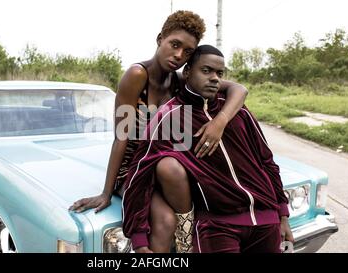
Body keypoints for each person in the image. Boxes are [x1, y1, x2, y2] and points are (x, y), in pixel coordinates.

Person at [69, 11, 248, 253]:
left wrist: (220, 121)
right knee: (164, 222)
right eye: (175, 45)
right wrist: (106, 192)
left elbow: (238, 89)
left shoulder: (180, 81)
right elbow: (121, 137)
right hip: (135, 168)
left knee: (212, 207)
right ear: (159, 39)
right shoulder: (136, 75)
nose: (178, 55)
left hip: (168, 165)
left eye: (187, 52)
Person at [122, 45, 294, 253]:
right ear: (187, 73)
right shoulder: (171, 117)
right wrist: (139, 238)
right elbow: (140, 174)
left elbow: (266, 161)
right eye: (206, 71)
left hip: (266, 219)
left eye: (219, 73)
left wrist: (282, 214)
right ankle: (184, 239)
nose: (214, 78)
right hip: (218, 225)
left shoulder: (237, 112)